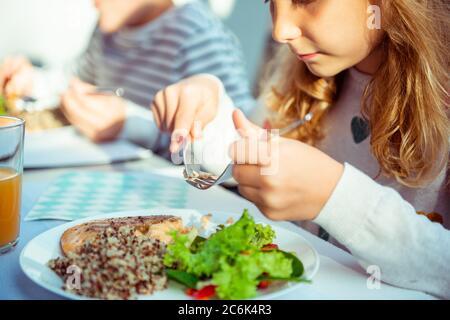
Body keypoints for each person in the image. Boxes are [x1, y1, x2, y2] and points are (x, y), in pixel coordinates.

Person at [150, 0, 450, 298]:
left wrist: (335, 198)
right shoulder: (303, 75)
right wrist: (209, 105)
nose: (280, 30)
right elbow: (246, 146)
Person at [0, 0, 252, 152]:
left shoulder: (195, 34)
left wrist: (129, 125)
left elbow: (236, 138)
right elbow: (74, 80)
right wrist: (32, 81)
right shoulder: (108, 32)